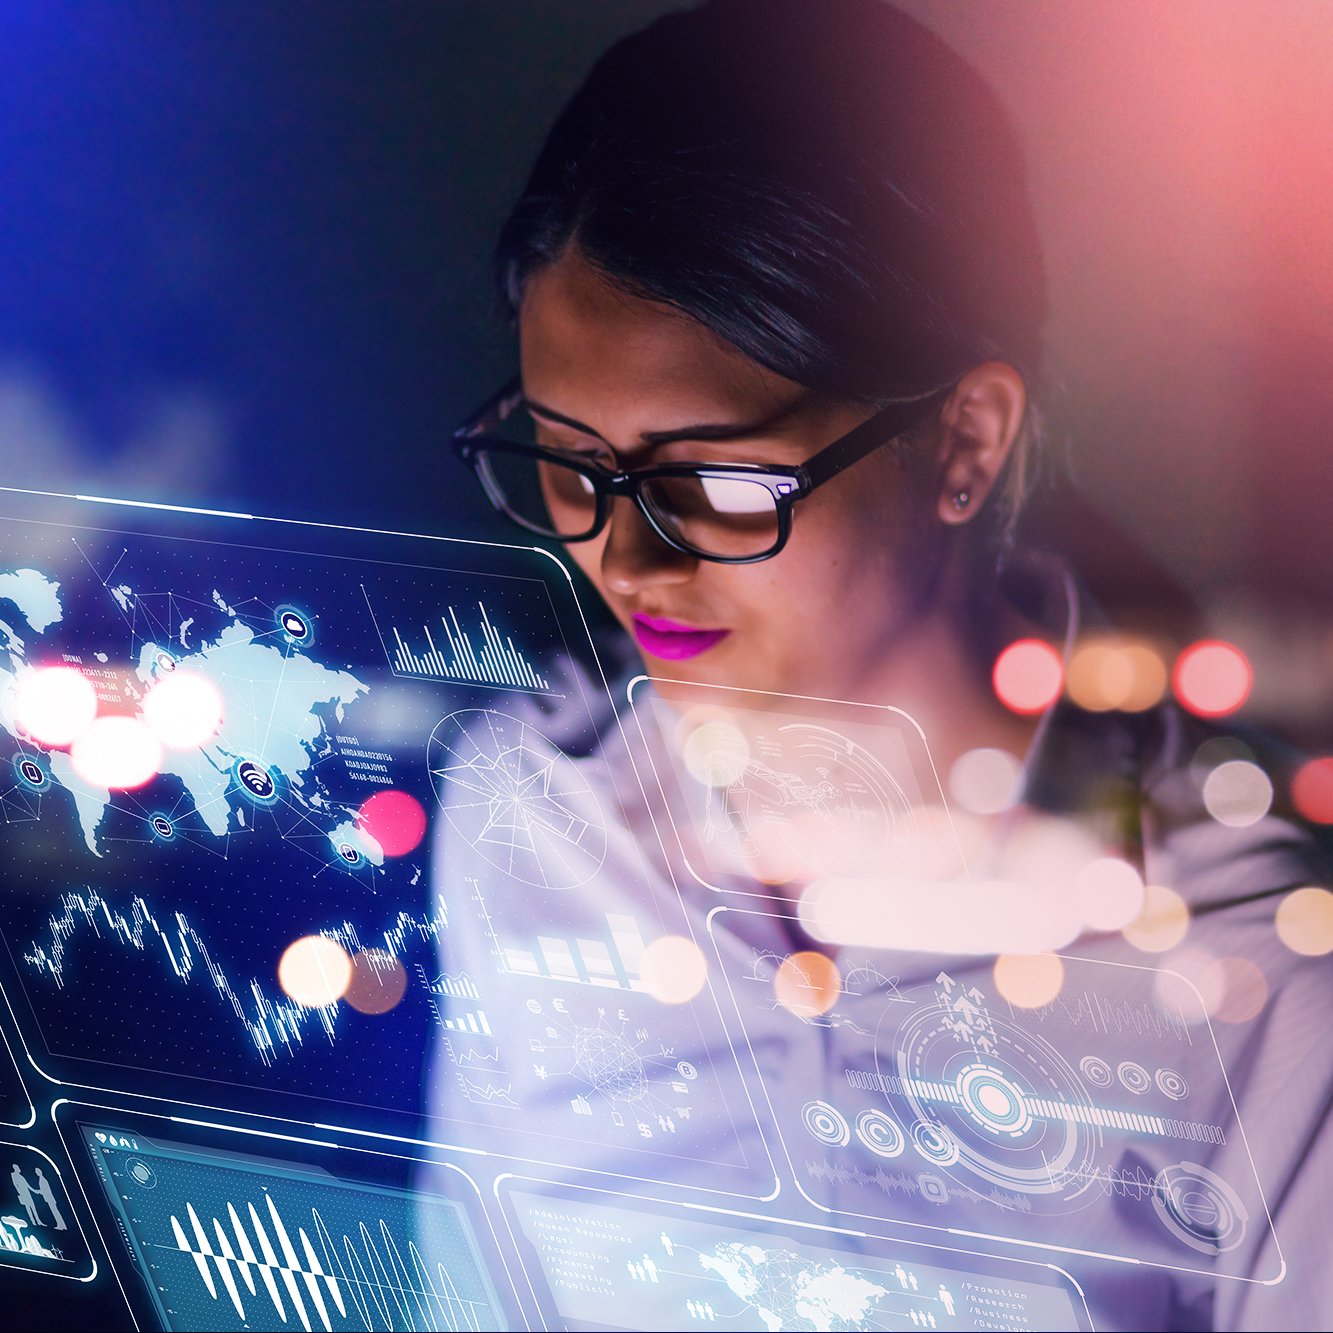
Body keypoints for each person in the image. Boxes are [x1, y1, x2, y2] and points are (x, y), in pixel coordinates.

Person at [425, 4, 1333, 1330]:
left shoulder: (1255, 984)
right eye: (567, 463)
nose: (621, 559)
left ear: (963, 441)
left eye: (712, 478)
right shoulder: (524, 823)